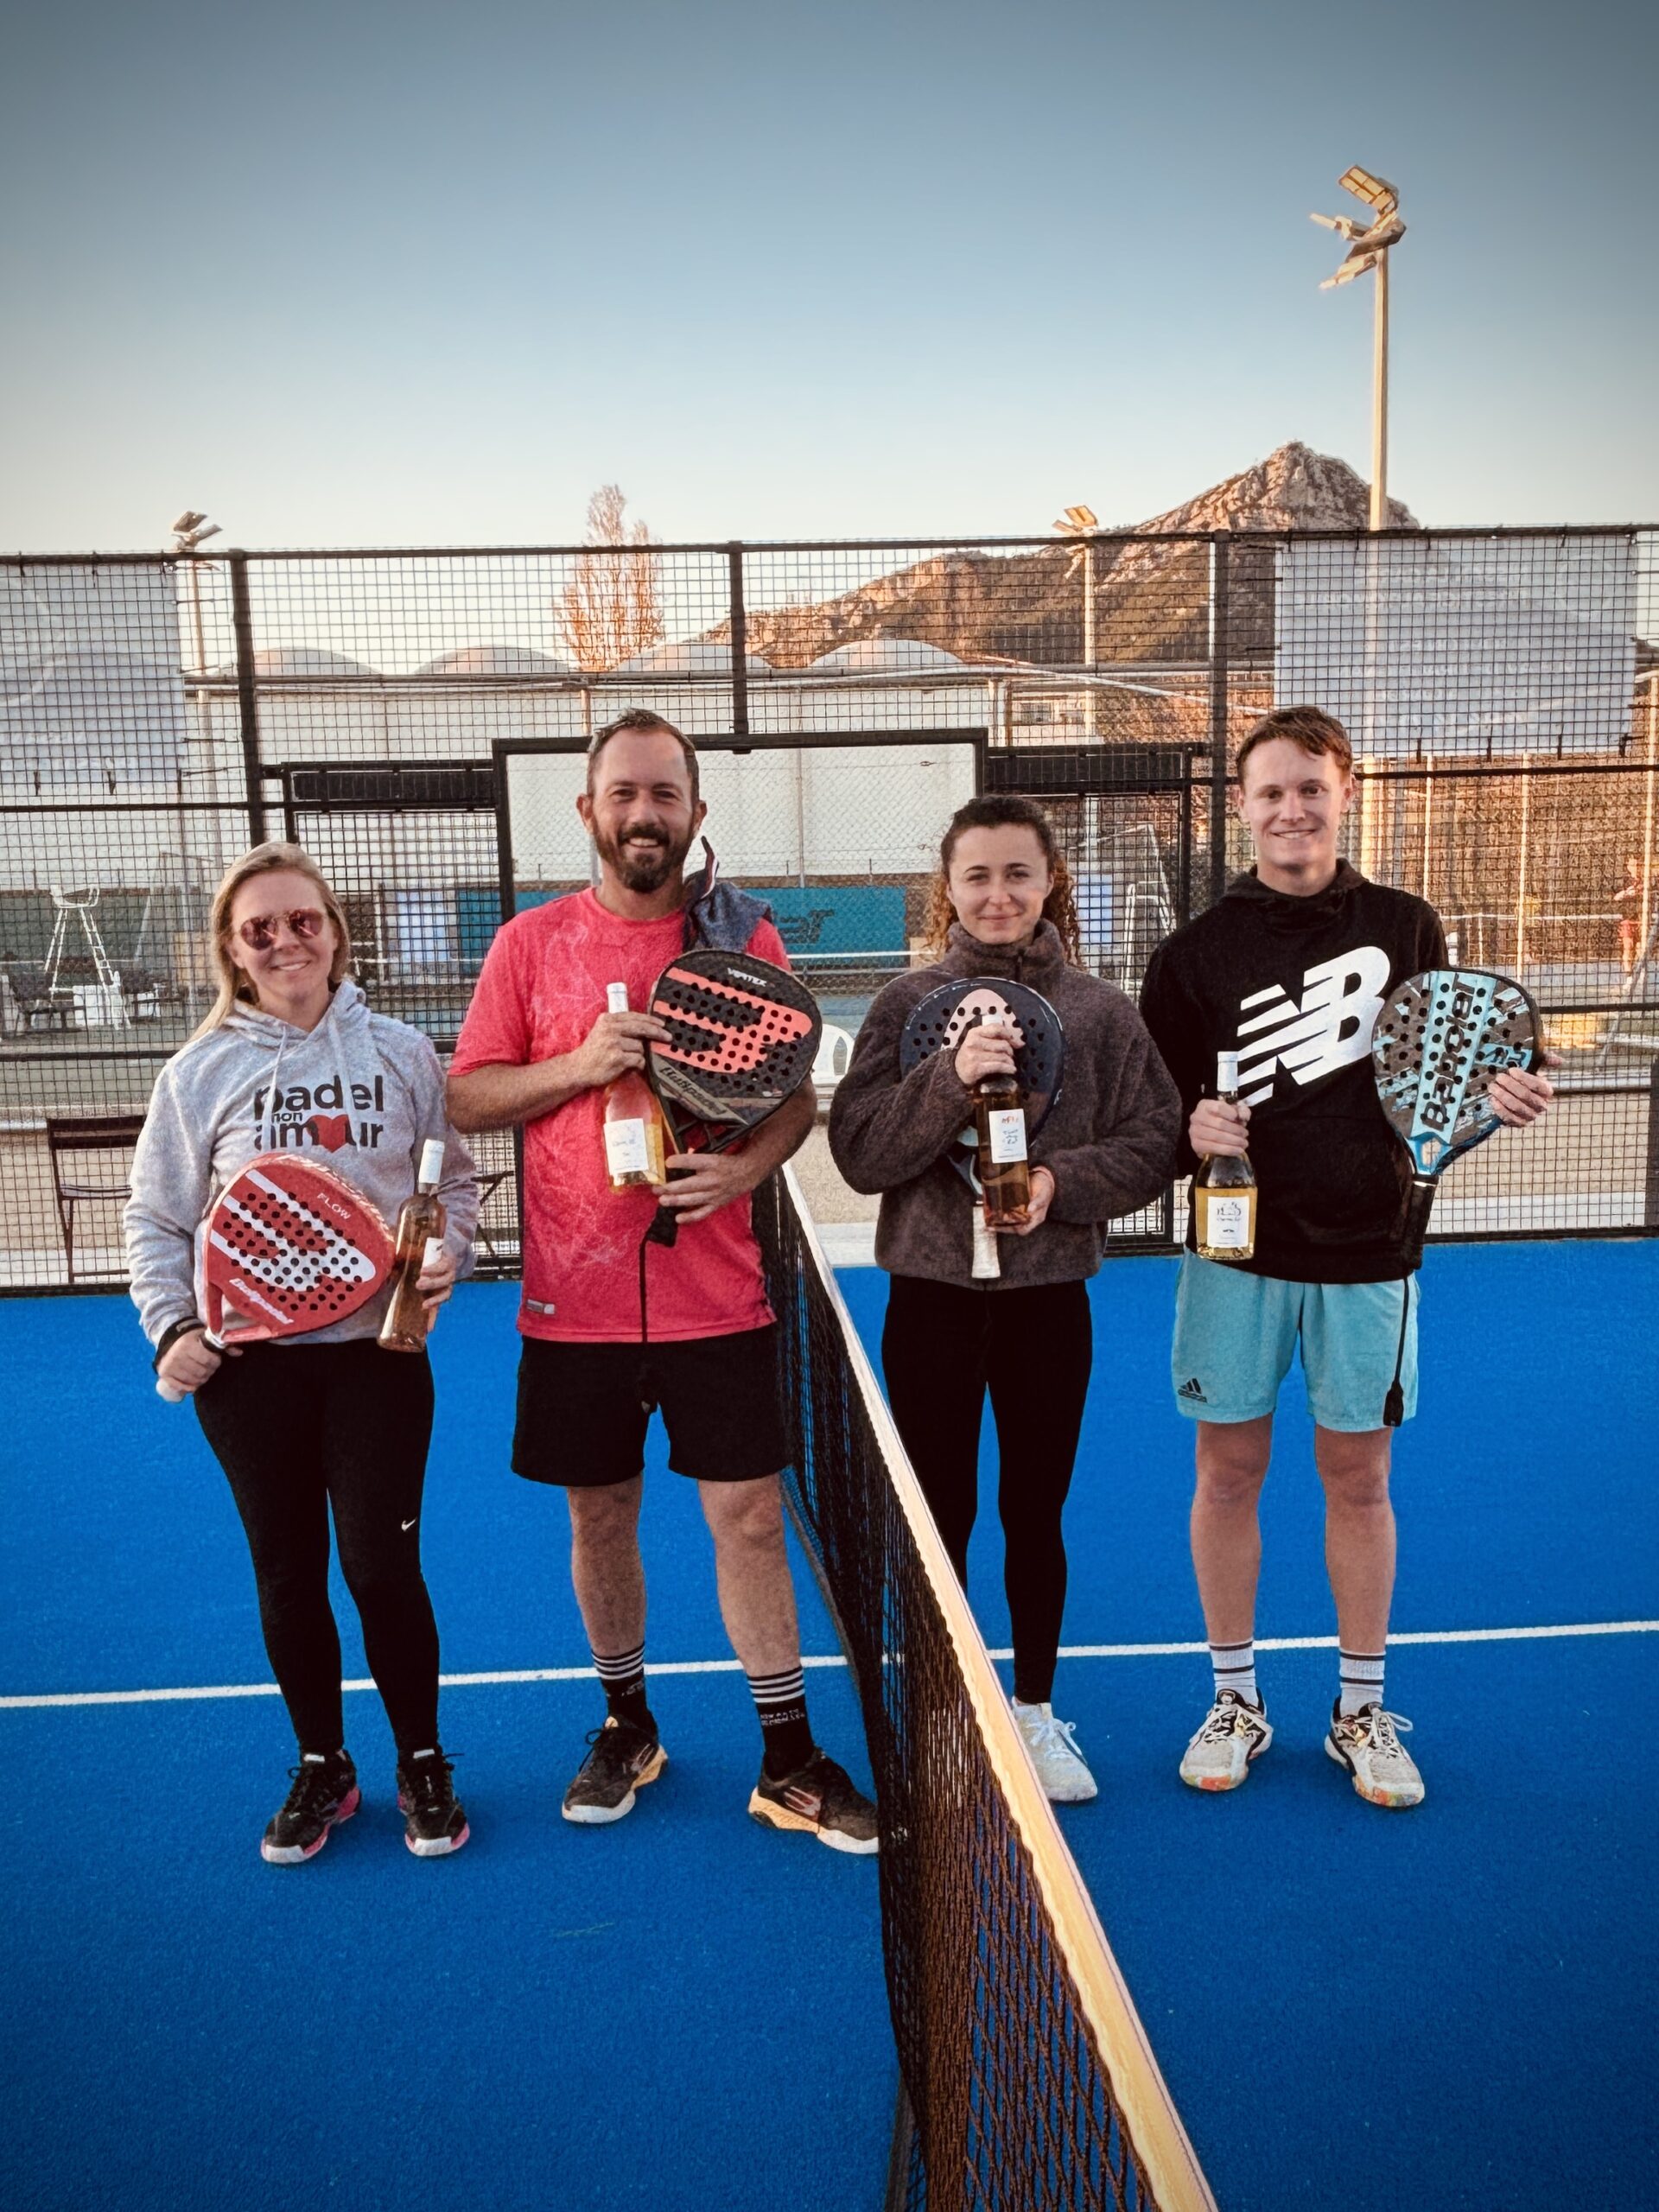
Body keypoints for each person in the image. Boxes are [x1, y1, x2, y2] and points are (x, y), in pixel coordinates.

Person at [446, 709, 877, 1853]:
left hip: (716, 1295)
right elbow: (467, 1093)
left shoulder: (743, 943)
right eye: (623, 795)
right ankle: (627, 1722)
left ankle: (788, 1757)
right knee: (601, 1517)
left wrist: (740, 1165)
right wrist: (579, 1068)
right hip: (572, 1306)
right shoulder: (529, 948)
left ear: (694, 813)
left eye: (665, 796)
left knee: (745, 1519)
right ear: (589, 811)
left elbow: (794, 1096)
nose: (645, 814)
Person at [1139, 706, 1554, 1809]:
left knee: (1358, 1481)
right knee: (1226, 1475)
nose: (1291, 808)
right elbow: (1154, 1107)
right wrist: (1193, 1127)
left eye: (1310, 788)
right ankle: (1235, 1698)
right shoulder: (1191, 952)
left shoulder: (1407, 925)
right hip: (1235, 1255)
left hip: (1373, 1255)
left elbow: (1457, 1058)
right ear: (1242, 806)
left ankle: (1360, 1709)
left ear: (1347, 793)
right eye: (1270, 791)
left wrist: (1507, 1093)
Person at [126, 842, 478, 1864]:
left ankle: (421, 1756)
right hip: (250, 1376)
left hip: (378, 1357)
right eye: (260, 929)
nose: (286, 940)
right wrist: (175, 1329)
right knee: (286, 1570)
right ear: (233, 954)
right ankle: (324, 1762)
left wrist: (445, 1249)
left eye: (303, 920)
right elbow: (156, 1219)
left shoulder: (406, 1054)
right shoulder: (199, 1074)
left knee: (381, 1564)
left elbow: (450, 1184)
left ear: (336, 930)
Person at [827, 794, 1181, 1802]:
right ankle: (945, 1717)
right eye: (977, 875)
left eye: (1017, 873)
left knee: (1036, 1508)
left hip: (1047, 1303)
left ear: (1049, 880)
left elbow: (1155, 1141)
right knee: (938, 1518)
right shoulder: (903, 1007)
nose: (997, 894)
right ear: (949, 887)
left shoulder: (1105, 1013)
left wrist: (1065, 1188)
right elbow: (860, 1153)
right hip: (931, 1300)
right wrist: (948, 1076)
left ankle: (1032, 1712)